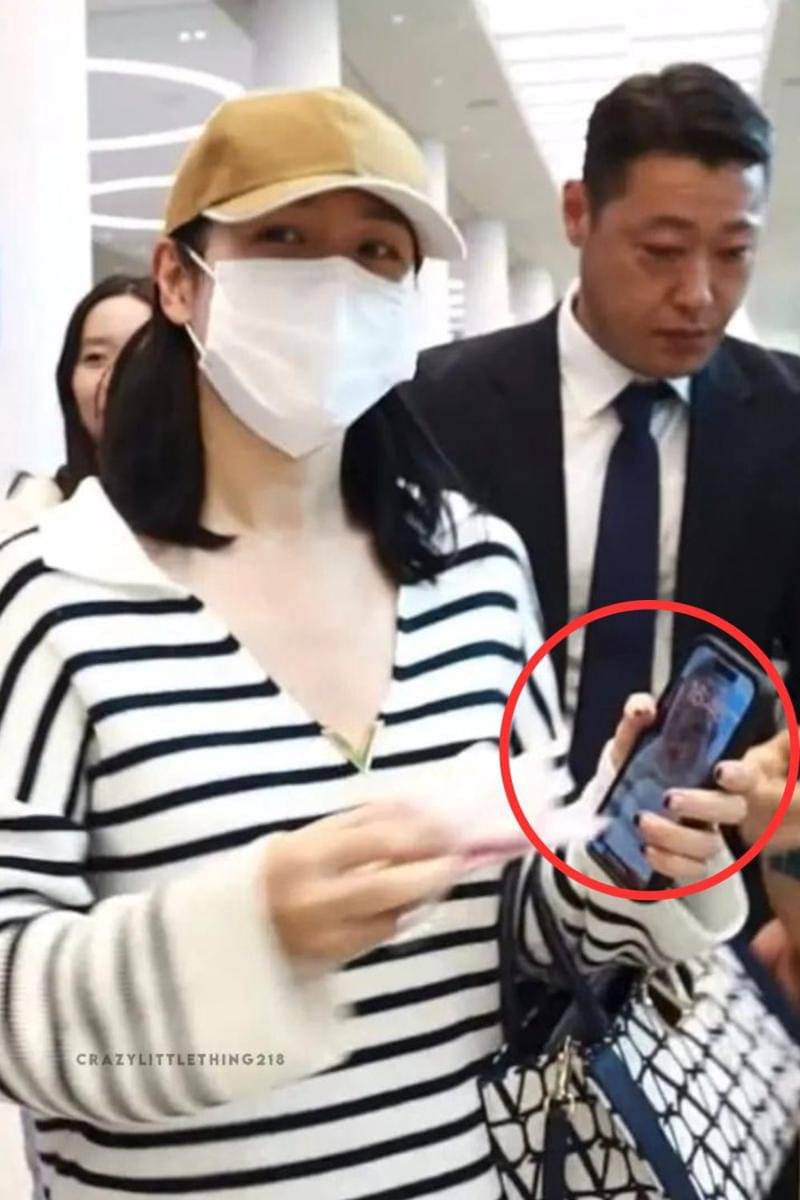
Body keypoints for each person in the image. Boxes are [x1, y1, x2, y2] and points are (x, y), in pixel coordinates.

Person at [0, 86, 748, 1200]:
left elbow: (519, 934)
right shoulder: (54, 594)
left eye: (376, 252)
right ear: (179, 279)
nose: (336, 283)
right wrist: (250, 936)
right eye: (284, 240)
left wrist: (634, 863)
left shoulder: (476, 571)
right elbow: (13, 1014)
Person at [401, 62, 800, 924]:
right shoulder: (433, 410)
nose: (699, 294)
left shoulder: (787, 420)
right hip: (471, 891)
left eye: (734, 253)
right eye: (661, 252)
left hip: (704, 891)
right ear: (579, 212)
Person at [0, 274, 152, 534]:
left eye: (141, 355)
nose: (113, 379)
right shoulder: (24, 523)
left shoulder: (219, 517)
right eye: (95, 358)